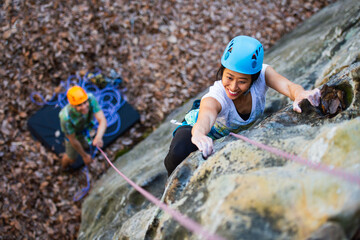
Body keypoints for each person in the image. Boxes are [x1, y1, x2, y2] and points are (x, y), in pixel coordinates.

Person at [164, 35, 320, 176]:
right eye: (229, 77)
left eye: (242, 81)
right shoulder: (216, 96)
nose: (233, 87)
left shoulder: (263, 75)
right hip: (195, 126)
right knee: (178, 153)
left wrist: (300, 94)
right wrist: (198, 134)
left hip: (228, 134)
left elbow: (288, 87)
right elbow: (206, 115)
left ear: (254, 78)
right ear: (222, 71)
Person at [59, 85, 107, 169]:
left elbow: (102, 120)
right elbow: (73, 139)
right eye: (79, 105)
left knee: (87, 143)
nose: (84, 107)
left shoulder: (91, 98)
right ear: (72, 105)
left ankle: (85, 144)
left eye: (85, 103)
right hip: (75, 135)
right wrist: (84, 156)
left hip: (86, 128)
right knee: (71, 158)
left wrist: (99, 137)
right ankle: (63, 168)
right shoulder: (65, 117)